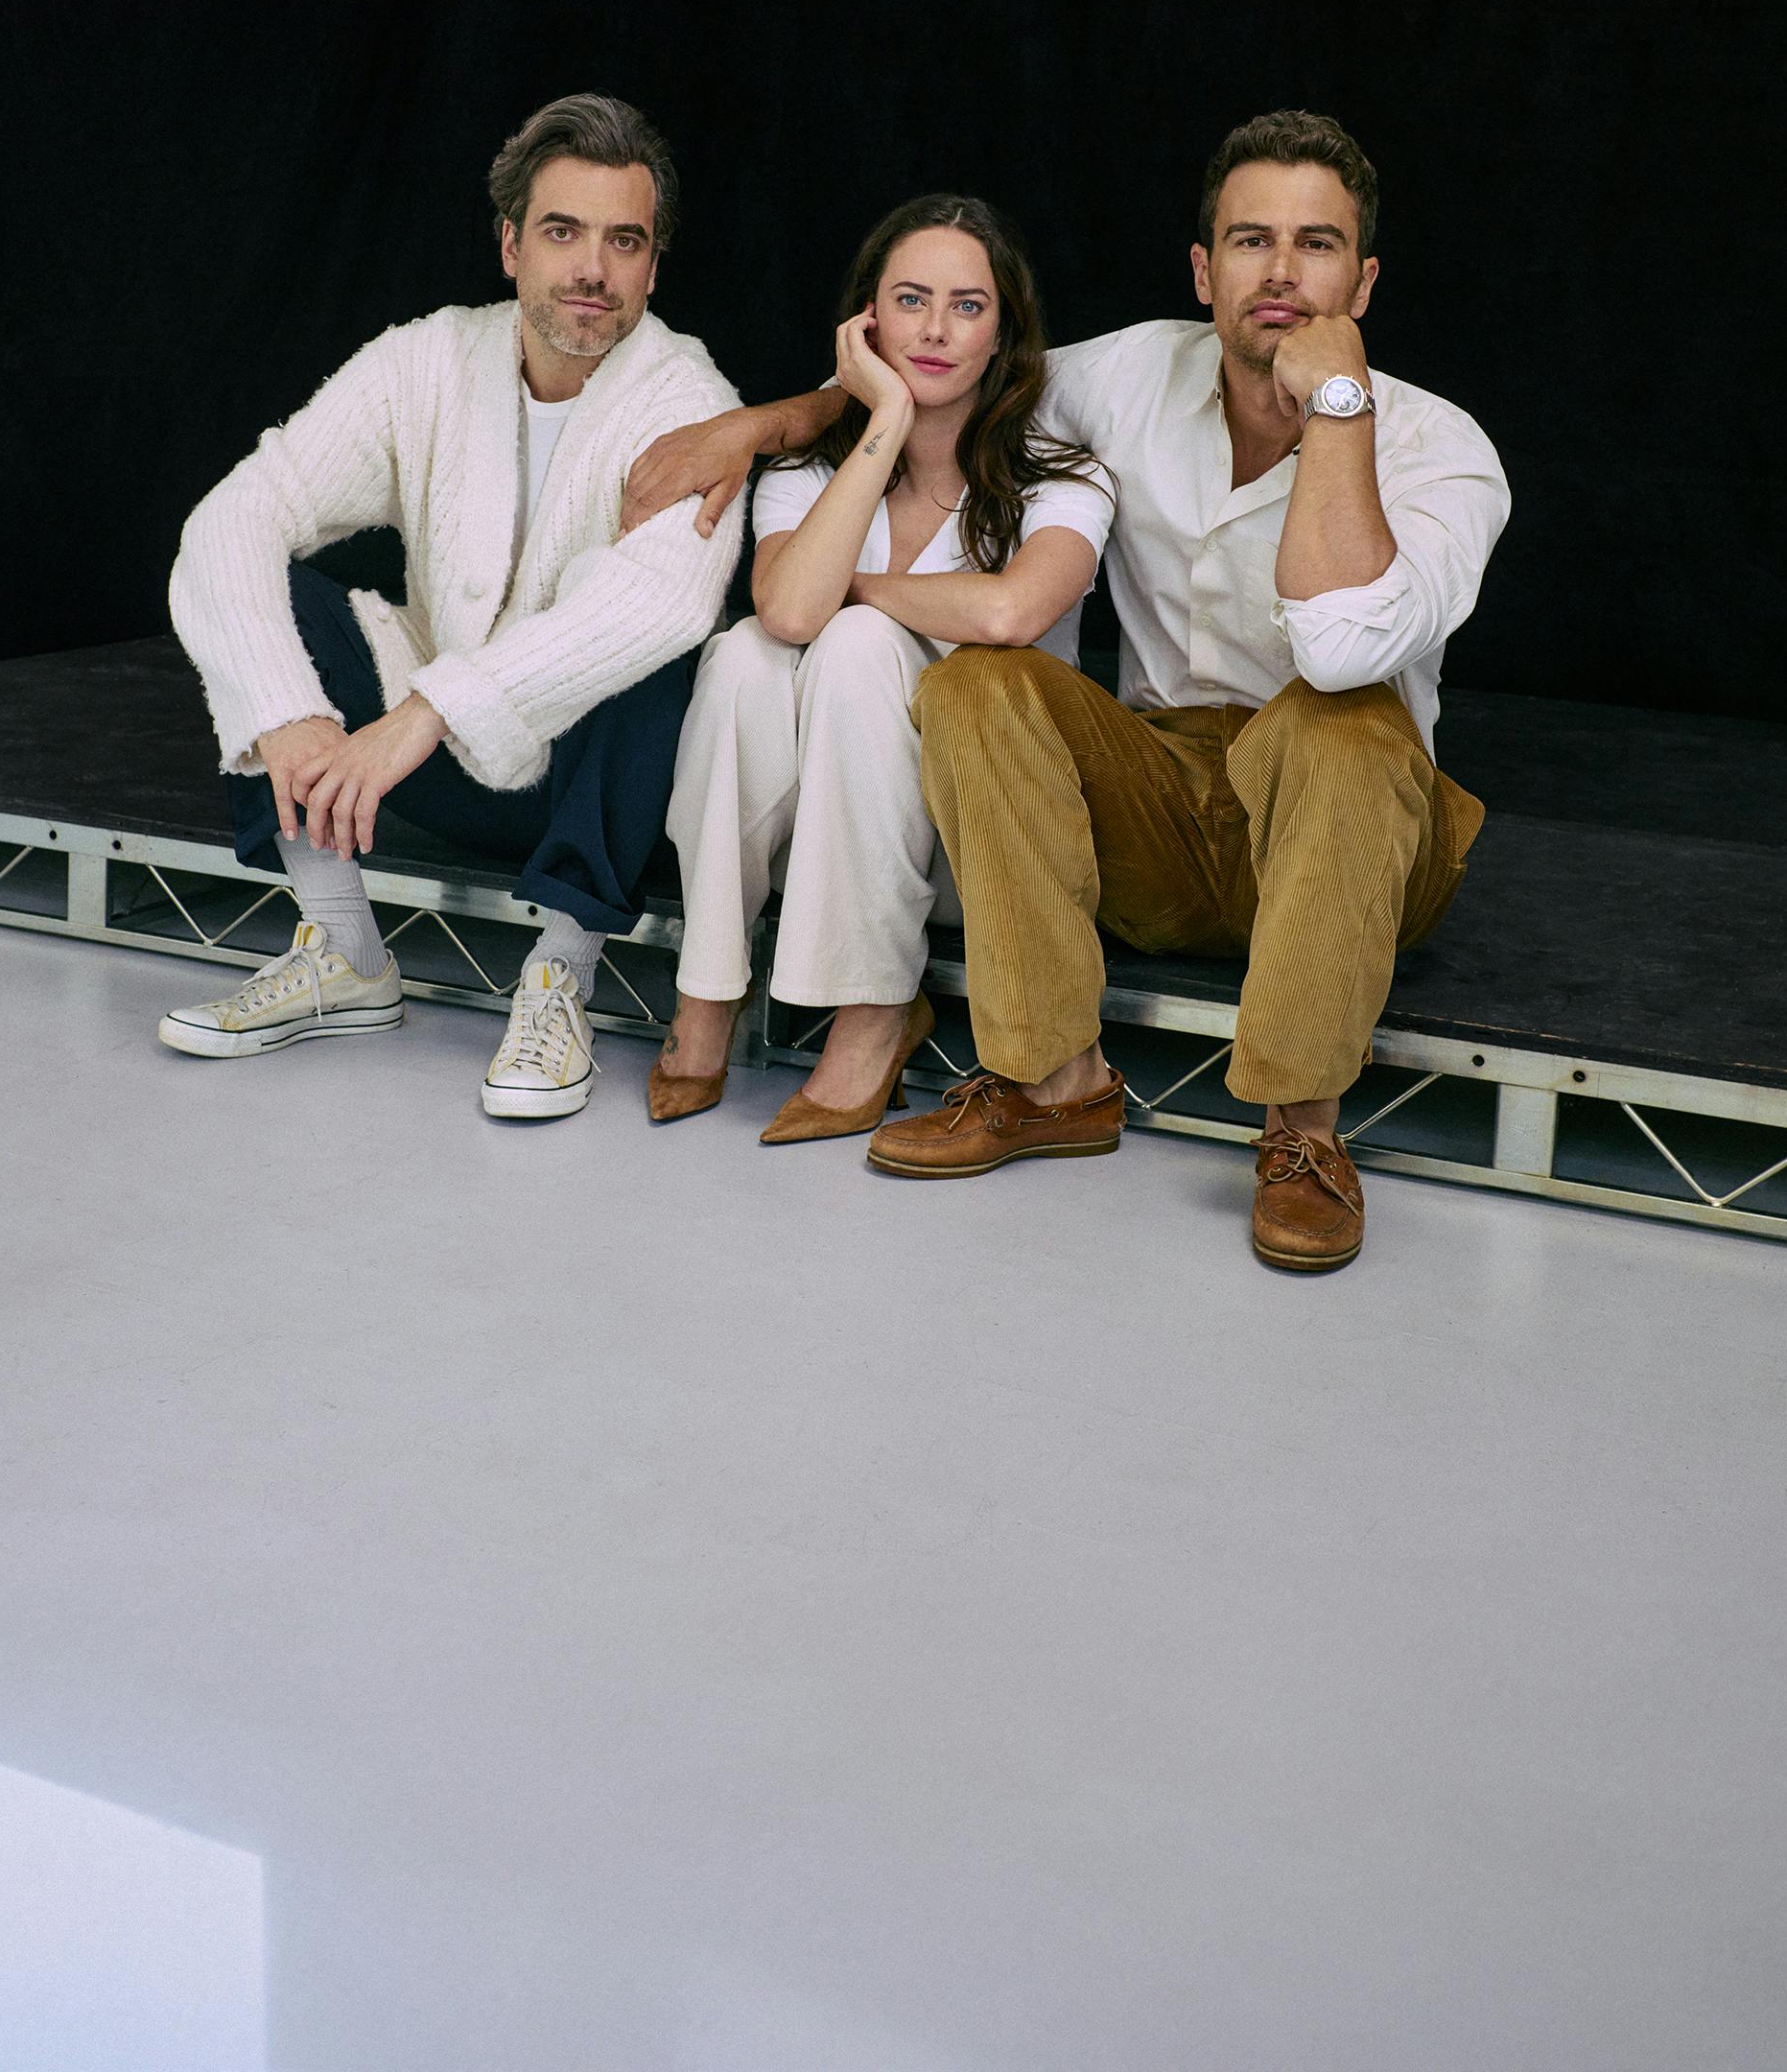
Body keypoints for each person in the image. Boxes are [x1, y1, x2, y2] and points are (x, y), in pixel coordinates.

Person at [623, 111, 1505, 1268]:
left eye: (1316, 245)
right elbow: (942, 361)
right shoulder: (1128, 378)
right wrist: (770, 422)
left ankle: (1301, 1135)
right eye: (1249, 241)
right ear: (1204, 270)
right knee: (986, 686)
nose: (1281, 273)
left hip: (1358, 828)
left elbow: (1342, 649)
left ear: (1364, 277)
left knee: (1339, 725)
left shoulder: (1446, 451)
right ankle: (1053, 1081)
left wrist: (1338, 404)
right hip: (1162, 794)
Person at [161, 93, 743, 1120]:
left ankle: (562, 973)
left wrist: (422, 714)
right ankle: (342, 951)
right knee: (265, 598)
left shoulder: (687, 398)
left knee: (654, 642)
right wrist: (290, 709)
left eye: (624, 241)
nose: (592, 271)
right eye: (562, 232)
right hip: (425, 768)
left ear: (654, 265)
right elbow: (232, 518)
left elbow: (654, 607)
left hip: (594, 788)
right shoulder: (429, 358)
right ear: (511, 244)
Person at [648, 197, 1112, 1141]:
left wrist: (853, 592)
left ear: (1003, 333)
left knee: (852, 640)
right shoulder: (808, 472)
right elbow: (781, 612)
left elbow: (1011, 609)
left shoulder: (1064, 479)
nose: (936, 330)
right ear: (866, 323)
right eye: (910, 300)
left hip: (970, 857)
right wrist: (885, 417)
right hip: (811, 846)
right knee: (742, 655)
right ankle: (706, 989)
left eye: (967, 307)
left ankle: (873, 1018)